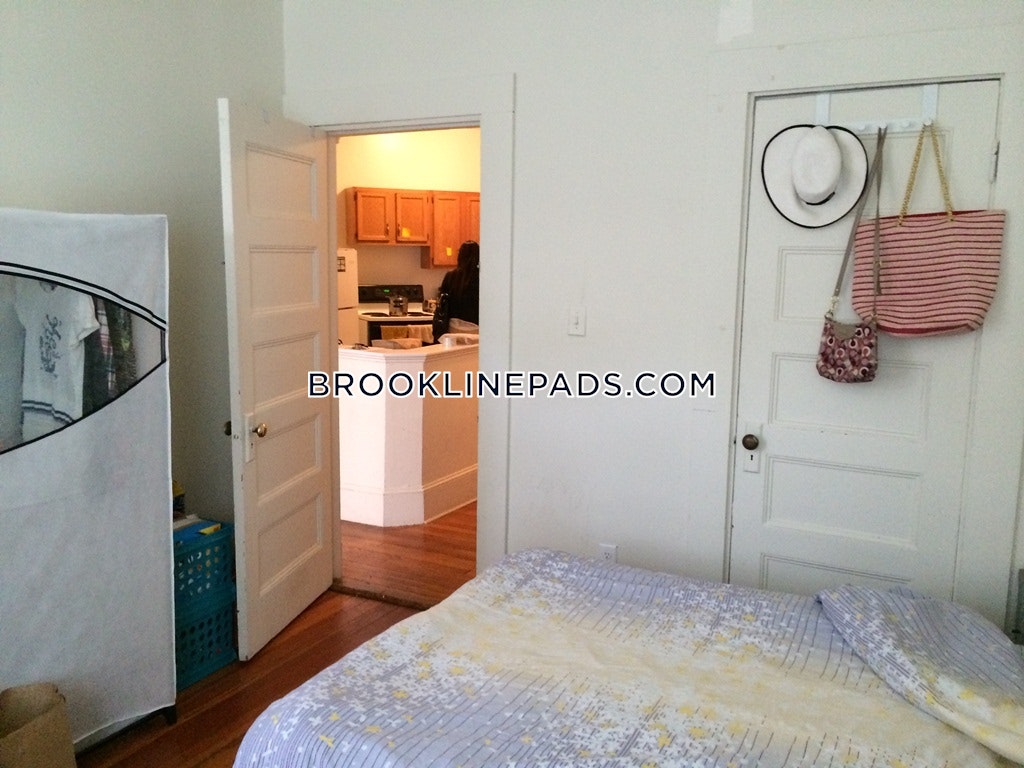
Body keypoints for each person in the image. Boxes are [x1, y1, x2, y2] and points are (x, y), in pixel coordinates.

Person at [433, 240, 479, 342]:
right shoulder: (482, 278)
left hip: (452, 329)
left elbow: (443, 301)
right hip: (476, 330)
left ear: (460, 256)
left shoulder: (450, 276)